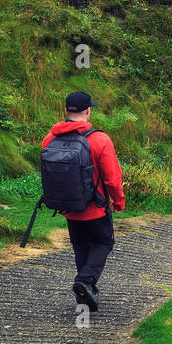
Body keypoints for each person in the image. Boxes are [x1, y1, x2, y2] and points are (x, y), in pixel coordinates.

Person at [40, 91, 125, 311]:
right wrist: (118, 201)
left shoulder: (50, 139)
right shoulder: (99, 139)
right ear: (88, 111)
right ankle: (85, 282)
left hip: (68, 207)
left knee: (80, 246)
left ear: (67, 111)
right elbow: (112, 177)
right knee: (103, 243)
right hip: (95, 207)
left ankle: (85, 290)